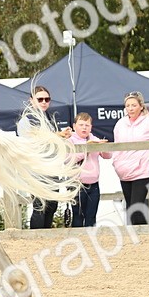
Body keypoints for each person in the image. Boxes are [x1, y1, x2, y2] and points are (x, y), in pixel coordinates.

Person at [110, 91, 149, 225]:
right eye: (128, 105)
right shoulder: (120, 124)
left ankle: (143, 238)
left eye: (133, 105)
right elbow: (116, 146)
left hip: (142, 171)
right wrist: (115, 163)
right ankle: (143, 237)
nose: (130, 108)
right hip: (124, 172)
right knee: (132, 209)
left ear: (141, 106)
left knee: (136, 208)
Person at [17, 86, 72, 228]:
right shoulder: (27, 120)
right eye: (40, 99)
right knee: (40, 206)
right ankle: (36, 238)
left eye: (46, 99)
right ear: (31, 100)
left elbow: (52, 140)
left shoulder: (49, 119)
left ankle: (45, 235)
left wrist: (62, 136)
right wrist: (56, 135)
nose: (43, 102)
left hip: (52, 167)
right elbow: (31, 141)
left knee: (52, 205)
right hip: (37, 169)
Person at [66, 112, 110, 228]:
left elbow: (108, 156)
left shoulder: (94, 139)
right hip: (77, 184)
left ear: (91, 127)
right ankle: (77, 240)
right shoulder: (70, 141)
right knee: (78, 216)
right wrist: (87, 149)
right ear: (74, 126)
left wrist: (103, 146)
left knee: (91, 216)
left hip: (94, 184)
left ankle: (90, 241)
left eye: (87, 125)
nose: (84, 128)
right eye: (81, 125)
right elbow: (68, 159)